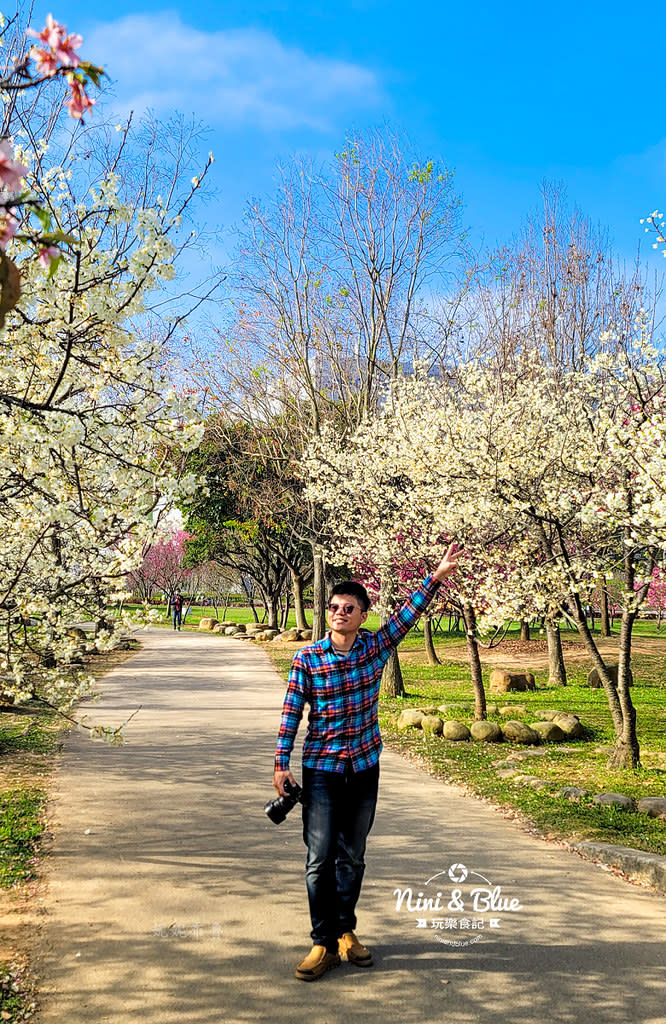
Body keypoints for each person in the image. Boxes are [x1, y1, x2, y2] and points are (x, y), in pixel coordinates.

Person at [272, 543, 461, 982]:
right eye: (334, 606)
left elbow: (406, 618)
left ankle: (345, 933)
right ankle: (322, 942)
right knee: (319, 857)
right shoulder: (308, 659)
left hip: (363, 768)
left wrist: (436, 578)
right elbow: (290, 712)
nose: (339, 613)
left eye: (349, 607)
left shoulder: (374, 650)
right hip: (321, 770)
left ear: (362, 614)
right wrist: (281, 763)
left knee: (352, 856)